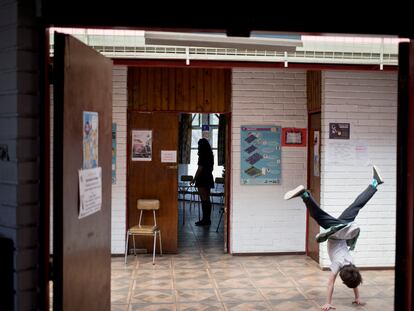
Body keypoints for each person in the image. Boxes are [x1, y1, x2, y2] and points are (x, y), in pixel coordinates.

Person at [284, 165, 384, 311]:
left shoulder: (351, 261)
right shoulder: (337, 264)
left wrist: (357, 297)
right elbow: (330, 283)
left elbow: (355, 279)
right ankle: (305, 195)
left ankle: (375, 183)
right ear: (342, 278)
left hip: (347, 228)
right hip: (337, 233)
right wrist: (327, 303)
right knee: (318, 216)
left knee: (356, 205)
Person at [191, 138, 214, 226]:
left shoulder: (202, 155)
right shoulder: (211, 154)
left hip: (202, 178)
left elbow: (200, 168)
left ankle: (205, 220)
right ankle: (207, 219)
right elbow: (212, 168)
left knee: (203, 199)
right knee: (207, 199)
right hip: (209, 176)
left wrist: (194, 179)